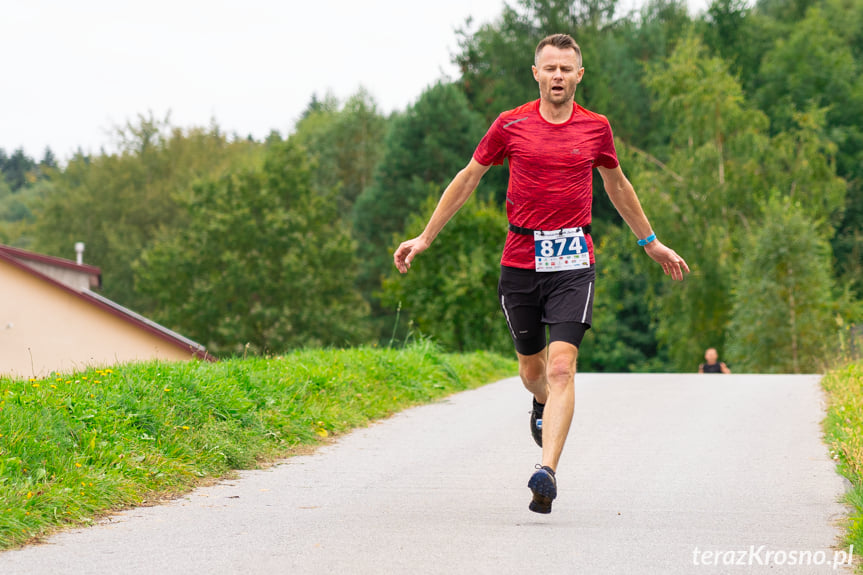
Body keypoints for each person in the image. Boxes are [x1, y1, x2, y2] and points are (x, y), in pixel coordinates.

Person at [392, 33, 689, 514]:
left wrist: (650, 242)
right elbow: (469, 177)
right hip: (520, 258)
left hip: (574, 261)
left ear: (578, 75)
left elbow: (616, 184)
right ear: (536, 73)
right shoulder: (511, 125)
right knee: (532, 372)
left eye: (566, 69)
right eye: (549, 68)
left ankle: (546, 472)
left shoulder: (596, 128)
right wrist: (426, 237)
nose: (557, 76)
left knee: (561, 366)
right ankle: (541, 404)